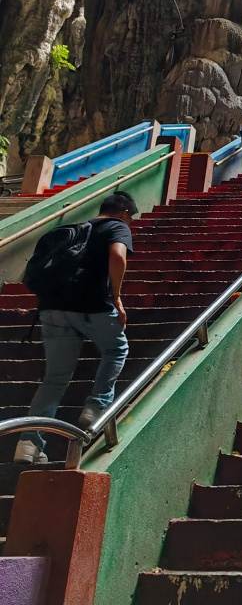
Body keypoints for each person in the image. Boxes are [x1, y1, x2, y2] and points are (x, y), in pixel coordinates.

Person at [15, 191, 138, 463]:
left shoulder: (72, 230)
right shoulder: (117, 227)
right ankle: (96, 406)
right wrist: (116, 297)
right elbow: (118, 257)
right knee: (116, 349)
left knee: (55, 379)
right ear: (124, 213)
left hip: (52, 309)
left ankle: (28, 444)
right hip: (91, 305)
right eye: (131, 219)